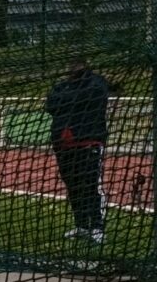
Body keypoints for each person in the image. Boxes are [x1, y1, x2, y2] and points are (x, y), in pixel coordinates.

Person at [45, 52, 112, 243]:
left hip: (88, 141)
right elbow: (50, 104)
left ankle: (97, 227)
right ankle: (82, 225)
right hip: (64, 144)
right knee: (73, 185)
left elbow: (90, 97)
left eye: (76, 63)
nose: (72, 66)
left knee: (91, 185)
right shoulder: (61, 86)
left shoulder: (96, 82)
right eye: (70, 63)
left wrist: (67, 101)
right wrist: (72, 101)